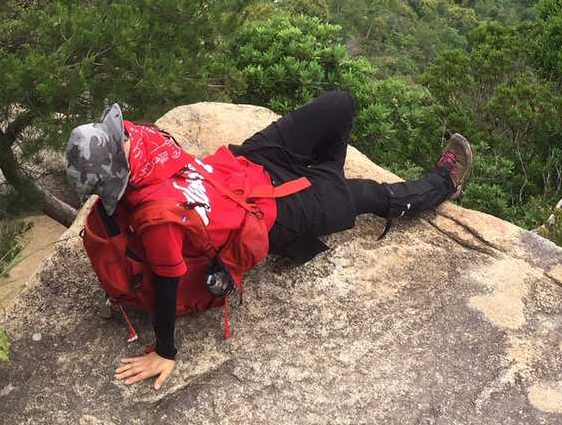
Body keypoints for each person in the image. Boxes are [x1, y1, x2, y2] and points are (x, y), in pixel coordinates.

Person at [65, 90, 473, 390]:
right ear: (119, 172)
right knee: (370, 195)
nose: (128, 136)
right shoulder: (157, 219)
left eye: (118, 133)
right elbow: (167, 279)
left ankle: (326, 182)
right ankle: (444, 183)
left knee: (340, 104)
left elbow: (149, 146)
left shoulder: (144, 152)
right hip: (268, 216)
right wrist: (165, 351)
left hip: (247, 165)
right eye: (120, 139)